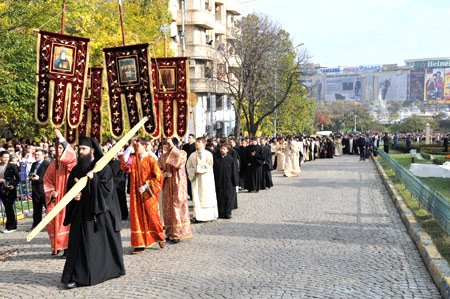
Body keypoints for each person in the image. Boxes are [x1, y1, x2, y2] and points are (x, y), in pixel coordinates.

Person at [62, 136, 125, 289]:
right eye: (79, 149)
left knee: (94, 246)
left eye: (83, 149)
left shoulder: (102, 168)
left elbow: (107, 191)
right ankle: (76, 275)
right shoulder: (76, 169)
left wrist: (94, 180)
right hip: (80, 212)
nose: (80, 152)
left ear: (91, 150)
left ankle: (104, 270)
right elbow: (70, 189)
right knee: (78, 245)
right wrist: (74, 196)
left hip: (98, 213)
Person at [121, 137, 166, 253]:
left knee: (152, 216)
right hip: (136, 194)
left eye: (138, 146)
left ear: (145, 147)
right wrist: (130, 145)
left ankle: (160, 236)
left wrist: (146, 186)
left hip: (148, 193)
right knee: (137, 217)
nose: (136, 148)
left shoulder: (151, 159)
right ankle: (139, 243)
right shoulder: (134, 159)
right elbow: (125, 165)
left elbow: (158, 177)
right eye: (135, 146)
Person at [44, 130, 77, 256]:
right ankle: (57, 245)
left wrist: (61, 138)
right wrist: (52, 192)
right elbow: (47, 180)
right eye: (56, 148)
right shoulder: (52, 165)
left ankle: (67, 248)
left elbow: (71, 156)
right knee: (51, 219)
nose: (58, 150)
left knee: (66, 222)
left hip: (68, 196)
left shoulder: (70, 161)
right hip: (56, 198)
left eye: (60, 147)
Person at [158, 137, 192, 243]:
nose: (165, 148)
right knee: (168, 207)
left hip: (178, 183)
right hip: (167, 183)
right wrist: (163, 174)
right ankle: (169, 232)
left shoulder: (182, 153)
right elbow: (158, 169)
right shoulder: (163, 157)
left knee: (178, 205)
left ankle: (178, 232)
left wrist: (172, 146)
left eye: (167, 145)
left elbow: (178, 163)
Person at [186, 137, 218, 222]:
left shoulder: (208, 154)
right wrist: (193, 171)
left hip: (206, 179)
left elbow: (209, 165)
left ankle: (209, 215)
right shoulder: (192, 155)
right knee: (197, 197)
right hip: (196, 179)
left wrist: (199, 167)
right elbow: (188, 166)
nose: (197, 143)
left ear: (204, 143)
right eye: (196, 142)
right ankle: (198, 216)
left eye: (199, 142)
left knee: (206, 196)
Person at [213, 143, 238, 219]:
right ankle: (220, 213)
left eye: (224, 149)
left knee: (228, 197)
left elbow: (234, 171)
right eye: (221, 148)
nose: (222, 150)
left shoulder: (230, 159)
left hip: (228, 182)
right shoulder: (216, 159)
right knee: (219, 197)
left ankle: (227, 213)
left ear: (227, 150)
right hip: (219, 181)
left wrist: (235, 182)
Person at [28, 149, 50, 230]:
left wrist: (39, 178)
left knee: (48, 208)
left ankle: (50, 225)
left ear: (43, 155)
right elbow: (31, 172)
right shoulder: (34, 164)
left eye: (38, 155)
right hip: (35, 189)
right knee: (36, 208)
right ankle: (36, 225)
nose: (36, 156)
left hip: (44, 189)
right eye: (35, 154)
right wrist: (31, 176)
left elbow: (50, 177)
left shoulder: (47, 164)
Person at [0, 151, 19, 233]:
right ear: (0, 157)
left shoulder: (12, 166)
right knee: (7, 208)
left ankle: (11, 227)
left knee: (9, 208)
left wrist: (13, 185)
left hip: (10, 190)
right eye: (4, 157)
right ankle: (10, 226)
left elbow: (17, 178)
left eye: (7, 157)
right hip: (1, 189)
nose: (6, 159)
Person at [182, 134, 196, 199]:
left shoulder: (195, 147)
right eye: (188, 138)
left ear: (193, 139)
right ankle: (189, 193)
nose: (189, 139)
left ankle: (193, 194)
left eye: (190, 138)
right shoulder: (185, 146)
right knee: (187, 180)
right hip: (186, 165)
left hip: (193, 166)